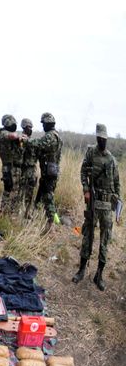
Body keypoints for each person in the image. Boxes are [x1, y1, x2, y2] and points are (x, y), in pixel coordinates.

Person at [72, 124, 120, 290]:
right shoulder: (91, 153)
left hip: (106, 205)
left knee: (105, 239)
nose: (101, 141)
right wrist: (86, 190)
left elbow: (117, 183)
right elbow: (83, 172)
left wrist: (117, 204)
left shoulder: (112, 160)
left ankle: (99, 275)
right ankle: (81, 270)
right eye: (99, 138)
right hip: (92, 201)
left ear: (107, 138)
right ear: (97, 138)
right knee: (88, 235)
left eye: (104, 139)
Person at [29, 112, 63, 223]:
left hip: (49, 172)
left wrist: (26, 140)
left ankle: (52, 222)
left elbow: (38, 144)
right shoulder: (57, 136)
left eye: (43, 124)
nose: (43, 126)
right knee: (41, 197)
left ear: (48, 124)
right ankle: (43, 219)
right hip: (51, 171)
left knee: (48, 198)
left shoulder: (50, 136)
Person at [0, 114, 23, 214]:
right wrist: (20, 137)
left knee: (14, 191)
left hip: (14, 168)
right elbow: (13, 136)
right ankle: (4, 213)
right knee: (9, 190)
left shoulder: (9, 134)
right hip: (9, 168)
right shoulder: (3, 133)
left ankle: (10, 213)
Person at [19, 118, 39, 218]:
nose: (29, 129)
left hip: (32, 170)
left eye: (31, 127)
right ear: (23, 127)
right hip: (23, 170)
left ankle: (27, 213)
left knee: (30, 193)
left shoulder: (32, 141)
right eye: (27, 127)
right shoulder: (21, 140)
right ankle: (17, 212)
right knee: (20, 193)